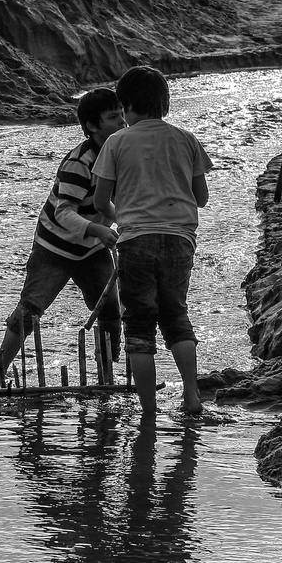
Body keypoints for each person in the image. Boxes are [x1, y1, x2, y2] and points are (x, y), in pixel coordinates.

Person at [91, 66, 214, 415]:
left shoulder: (116, 142)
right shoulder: (186, 139)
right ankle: (191, 396)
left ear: (126, 105)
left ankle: (148, 411)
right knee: (176, 315)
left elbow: (101, 203)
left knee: (140, 325)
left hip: (135, 242)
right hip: (180, 240)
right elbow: (201, 198)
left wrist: (125, 217)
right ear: (165, 102)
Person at [0, 88, 125, 383]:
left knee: (109, 311)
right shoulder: (80, 162)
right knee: (30, 310)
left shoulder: (120, 154)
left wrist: (121, 222)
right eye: (113, 117)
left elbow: (121, 199)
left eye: (122, 115)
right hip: (54, 247)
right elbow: (64, 212)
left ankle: (106, 377)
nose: (122, 122)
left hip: (92, 248)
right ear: (92, 126)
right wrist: (99, 229)